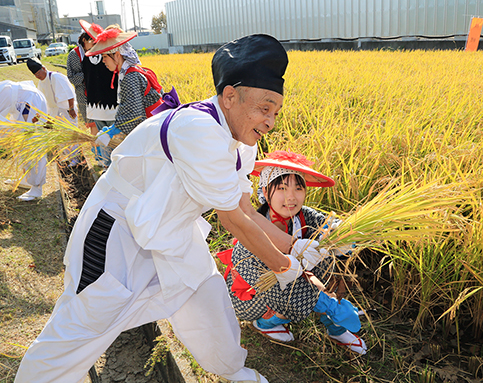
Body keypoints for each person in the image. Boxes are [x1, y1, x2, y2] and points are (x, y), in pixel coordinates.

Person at [14, 34, 358, 383]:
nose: (270, 121)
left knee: (208, 302)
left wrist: (295, 246)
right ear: (229, 96)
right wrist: (284, 263)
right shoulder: (199, 130)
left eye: (275, 112)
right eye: (264, 108)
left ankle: (234, 372)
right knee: (83, 323)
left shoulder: (242, 144)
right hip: (118, 231)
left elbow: (247, 212)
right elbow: (234, 221)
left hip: (173, 232)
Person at [218, 151, 367, 354]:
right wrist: (328, 304)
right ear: (265, 190)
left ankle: (335, 327)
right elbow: (280, 290)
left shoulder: (304, 216)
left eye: (298, 188)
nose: (291, 197)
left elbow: (330, 224)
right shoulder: (248, 231)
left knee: (325, 253)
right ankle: (265, 323)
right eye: (281, 188)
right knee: (290, 291)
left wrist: (345, 236)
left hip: (293, 285)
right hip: (255, 298)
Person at [85, 24, 162, 148]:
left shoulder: (130, 76)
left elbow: (134, 115)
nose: (103, 61)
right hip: (152, 130)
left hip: (153, 133)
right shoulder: (128, 72)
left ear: (117, 55)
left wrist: (111, 131)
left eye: (105, 56)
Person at [0, 80, 48, 201]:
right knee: (18, 144)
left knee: (31, 145)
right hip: (19, 106)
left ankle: (37, 188)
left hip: (31, 101)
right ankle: (26, 178)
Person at [27, 58, 80, 166]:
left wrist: (71, 108)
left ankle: (76, 159)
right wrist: (40, 116)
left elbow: (69, 92)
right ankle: (67, 157)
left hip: (67, 110)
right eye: (35, 75)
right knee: (60, 136)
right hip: (54, 112)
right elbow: (42, 101)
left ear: (43, 68)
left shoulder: (56, 76)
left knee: (71, 134)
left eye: (38, 73)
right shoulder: (41, 83)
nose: (38, 76)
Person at [66, 32, 89, 123]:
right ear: (84, 40)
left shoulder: (95, 51)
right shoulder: (74, 54)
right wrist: (87, 75)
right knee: (90, 120)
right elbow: (71, 77)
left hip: (97, 92)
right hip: (83, 92)